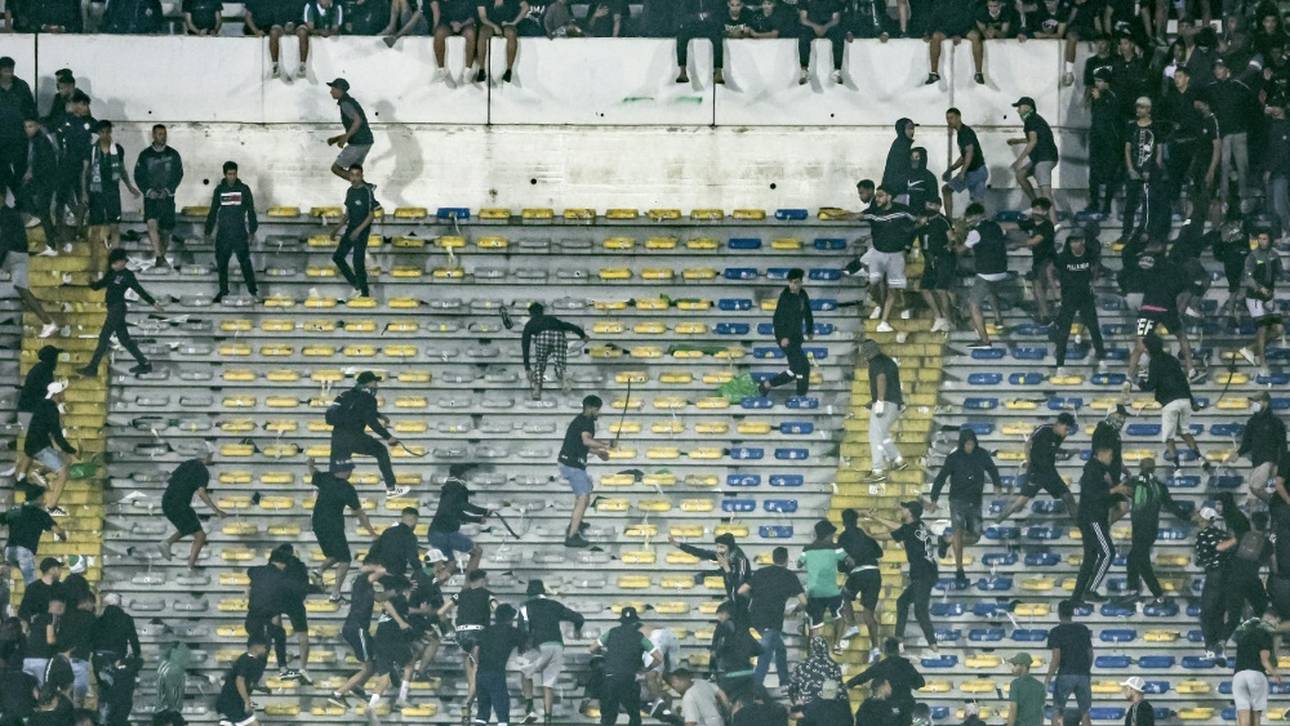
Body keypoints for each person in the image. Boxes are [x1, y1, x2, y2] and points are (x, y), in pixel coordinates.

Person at [928, 428, 1000, 587]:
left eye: (972, 444)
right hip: (957, 501)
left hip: (975, 501)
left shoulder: (981, 454)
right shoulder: (954, 458)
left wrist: (997, 484)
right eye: (967, 444)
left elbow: (992, 469)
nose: (970, 447)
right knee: (959, 533)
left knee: (975, 536)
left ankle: (946, 540)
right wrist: (934, 498)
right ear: (962, 444)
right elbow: (941, 478)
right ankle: (959, 570)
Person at [77, 248, 161, 378]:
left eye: (119, 262)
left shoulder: (127, 275)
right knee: (125, 340)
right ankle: (144, 363)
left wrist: (153, 303)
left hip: (118, 308)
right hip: (113, 309)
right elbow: (98, 286)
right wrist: (90, 282)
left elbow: (139, 290)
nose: (117, 265)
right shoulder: (111, 273)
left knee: (104, 338)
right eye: (116, 262)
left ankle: (92, 368)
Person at [327, 371, 410, 499]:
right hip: (355, 437)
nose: (376, 385)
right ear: (368, 383)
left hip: (338, 437)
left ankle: (331, 496)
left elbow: (349, 410)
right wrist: (388, 437)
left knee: (341, 472)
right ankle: (391, 489)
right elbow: (370, 421)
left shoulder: (344, 395)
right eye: (374, 382)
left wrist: (379, 414)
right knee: (381, 451)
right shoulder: (369, 399)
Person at [867, 502, 938, 650]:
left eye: (904, 508)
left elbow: (888, 535)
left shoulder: (910, 529)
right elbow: (898, 528)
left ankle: (933, 644)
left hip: (922, 572)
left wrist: (870, 535)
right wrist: (875, 517)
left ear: (910, 512)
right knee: (902, 602)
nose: (902, 510)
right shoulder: (918, 525)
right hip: (927, 571)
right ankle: (899, 638)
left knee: (920, 610)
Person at [1121, 458, 1192, 605]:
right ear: (1153, 469)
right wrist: (1187, 517)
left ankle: (1156, 595)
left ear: (1140, 467)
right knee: (1134, 558)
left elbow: (1119, 491)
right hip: (1151, 529)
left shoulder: (1134, 483)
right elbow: (1172, 506)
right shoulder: (1159, 486)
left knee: (1141, 562)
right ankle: (1138, 591)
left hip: (1140, 528)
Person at [307, 458, 375, 601]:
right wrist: (372, 532)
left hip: (317, 523)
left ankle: (318, 572)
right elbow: (360, 513)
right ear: (345, 471)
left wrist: (310, 464)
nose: (351, 473)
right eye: (350, 470)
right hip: (333, 525)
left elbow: (314, 473)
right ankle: (335, 593)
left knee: (335, 554)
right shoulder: (346, 488)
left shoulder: (325, 478)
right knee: (345, 559)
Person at [737, 545, 806, 686]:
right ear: (786, 560)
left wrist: (752, 597)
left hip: (755, 617)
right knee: (765, 654)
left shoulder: (761, 572)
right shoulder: (789, 576)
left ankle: (784, 681)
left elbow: (741, 590)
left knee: (780, 649)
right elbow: (804, 601)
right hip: (773, 619)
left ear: (773, 559)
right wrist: (796, 610)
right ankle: (756, 686)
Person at [517, 579, 583, 724]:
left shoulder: (524, 608)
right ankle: (548, 718)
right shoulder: (555, 605)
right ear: (544, 592)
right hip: (557, 646)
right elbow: (578, 618)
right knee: (548, 683)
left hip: (538, 646)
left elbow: (522, 631)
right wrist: (577, 630)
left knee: (525, 672)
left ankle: (530, 707)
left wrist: (522, 651)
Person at [1138, 333, 1208, 467]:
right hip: (1184, 400)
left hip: (1169, 403)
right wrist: (1192, 402)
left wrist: (1140, 383)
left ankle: (1177, 468)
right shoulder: (1172, 359)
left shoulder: (1154, 363)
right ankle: (1201, 459)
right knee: (1184, 432)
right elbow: (1183, 381)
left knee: (1168, 438)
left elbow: (1150, 385)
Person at [1071, 444, 1129, 604]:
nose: (1111, 459)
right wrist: (1114, 491)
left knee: (1090, 557)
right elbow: (1092, 495)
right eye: (1110, 455)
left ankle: (1077, 597)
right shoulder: (1092, 470)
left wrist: (1119, 493)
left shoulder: (1100, 469)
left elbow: (1103, 496)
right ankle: (1090, 590)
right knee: (1108, 553)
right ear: (1101, 452)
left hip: (1092, 517)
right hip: (1092, 518)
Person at [996, 412, 1079, 524]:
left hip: (1050, 472)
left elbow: (1052, 449)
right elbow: (1028, 444)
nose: (1067, 433)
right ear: (1059, 424)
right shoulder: (1043, 429)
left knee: (1068, 498)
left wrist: (1068, 452)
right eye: (1066, 429)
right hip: (1036, 472)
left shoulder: (1060, 436)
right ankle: (997, 522)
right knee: (1019, 503)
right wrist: (1029, 460)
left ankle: (1082, 527)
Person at [328, 564, 387, 708]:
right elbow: (381, 570)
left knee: (373, 663)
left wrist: (397, 592)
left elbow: (380, 598)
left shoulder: (364, 587)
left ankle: (357, 687)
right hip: (357, 629)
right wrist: (378, 567)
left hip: (355, 628)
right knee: (367, 667)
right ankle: (338, 694)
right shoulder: (363, 580)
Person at [590, 606, 661, 726]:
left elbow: (592, 649)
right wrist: (646, 669)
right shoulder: (640, 637)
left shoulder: (611, 632)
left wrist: (606, 655)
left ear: (621, 620)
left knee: (608, 717)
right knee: (634, 715)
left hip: (610, 677)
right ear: (635, 622)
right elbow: (659, 658)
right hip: (629, 679)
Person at [159, 451, 228, 572]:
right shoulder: (203, 472)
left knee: (187, 527)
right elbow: (201, 493)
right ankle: (189, 568)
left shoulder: (187, 463)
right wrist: (217, 511)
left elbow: (171, 479)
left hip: (166, 501)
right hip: (179, 504)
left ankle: (167, 542)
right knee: (200, 535)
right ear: (209, 456)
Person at [859, 190, 916, 330]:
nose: (878, 199)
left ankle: (884, 315)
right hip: (878, 250)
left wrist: (907, 246)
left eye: (881, 196)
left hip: (894, 253)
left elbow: (914, 226)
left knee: (892, 287)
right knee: (874, 282)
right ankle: (880, 305)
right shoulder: (874, 209)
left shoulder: (902, 213)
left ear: (889, 197)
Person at [203, 161, 259, 304]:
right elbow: (213, 211)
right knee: (222, 264)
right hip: (223, 234)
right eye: (229, 174)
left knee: (245, 263)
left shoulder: (244, 189)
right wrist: (208, 232)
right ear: (225, 174)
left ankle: (253, 292)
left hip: (239, 232)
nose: (232, 177)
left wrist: (252, 231)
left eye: (234, 174)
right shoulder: (219, 190)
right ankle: (223, 291)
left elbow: (251, 211)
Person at [558, 394, 610, 548]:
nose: (598, 413)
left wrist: (599, 452)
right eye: (598, 410)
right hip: (572, 465)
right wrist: (606, 445)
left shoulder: (580, 420)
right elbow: (586, 440)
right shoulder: (587, 422)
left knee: (586, 493)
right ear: (592, 408)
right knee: (583, 497)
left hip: (569, 462)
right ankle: (572, 535)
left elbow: (582, 445)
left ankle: (577, 522)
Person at [1051, 233, 1106, 373]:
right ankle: (1060, 365)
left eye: (1077, 241)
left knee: (1094, 329)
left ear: (1082, 241)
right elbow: (1050, 270)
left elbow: (1096, 264)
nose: (1074, 245)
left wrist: (1093, 280)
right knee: (1064, 331)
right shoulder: (1063, 257)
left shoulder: (1089, 254)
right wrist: (1055, 289)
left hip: (1086, 298)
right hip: (1068, 298)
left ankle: (1102, 360)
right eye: (1072, 242)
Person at [6, 344, 59, 488]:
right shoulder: (45, 371)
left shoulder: (38, 369)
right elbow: (48, 394)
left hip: (26, 412)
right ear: (52, 359)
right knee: (39, 446)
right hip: (31, 414)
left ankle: (21, 478)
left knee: (32, 446)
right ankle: (34, 473)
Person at [1206, 58, 1256, 211]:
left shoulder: (1239, 86)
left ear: (1228, 69)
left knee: (1242, 166)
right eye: (1215, 68)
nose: (1217, 71)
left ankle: (1244, 199)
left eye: (1220, 67)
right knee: (1224, 165)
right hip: (1223, 134)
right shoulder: (1211, 88)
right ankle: (1224, 200)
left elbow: (1252, 108)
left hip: (1240, 132)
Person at [19, 382, 75, 515]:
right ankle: (51, 507)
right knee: (63, 473)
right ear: (57, 394)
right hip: (39, 447)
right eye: (62, 392)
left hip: (37, 444)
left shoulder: (44, 405)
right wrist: (73, 450)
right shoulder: (51, 409)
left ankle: (40, 472)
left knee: (66, 459)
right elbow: (58, 436)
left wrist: (67, 452)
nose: (64, 394)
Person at [959, 203, 1009, 350]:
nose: (968, 220)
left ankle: (984, 340)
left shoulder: (975, 232)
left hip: (987, 272)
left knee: (973, 304)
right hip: (1002, 270)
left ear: (975, 216)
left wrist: (953, 243)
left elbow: (961, 251)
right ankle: (999, 320)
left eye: (969, 217)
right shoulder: (996, 226)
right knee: (991, 292)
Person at [83, 121, 139, 250]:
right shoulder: (91, 150)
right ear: (98, 133)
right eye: (102, 132)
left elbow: (121, 170)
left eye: (108, 132)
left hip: (112, 191)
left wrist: (130, 187)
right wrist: (84, 193)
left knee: (114, 225)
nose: (105, 135)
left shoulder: (118, 149)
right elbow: (85, 172)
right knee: (96, 227)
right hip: (96, 192)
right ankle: (94, 261)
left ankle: (114, 255)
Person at [133, 124, 183, 267]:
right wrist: (148, 191)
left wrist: (168, 190)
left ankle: (161, 257)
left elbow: (178, 174)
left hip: (167, 198)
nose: (163, 136)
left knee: (166, 231)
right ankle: (158, 256)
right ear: (153, 136)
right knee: (151, 225)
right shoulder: (145, 155)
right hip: (151, 198)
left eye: (164, 134)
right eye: (160, 134)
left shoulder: (173, 154)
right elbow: (138, 175)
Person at [834, 510, 881, 661]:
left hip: (858, 573)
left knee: (844, 595)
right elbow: (879, 553)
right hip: (874, 573)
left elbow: (841, 565)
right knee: (868, 614)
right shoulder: (865, 534)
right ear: (856, 521)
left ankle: (853, 625)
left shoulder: (843, 537)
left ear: (844, 522)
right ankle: (875, 648)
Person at [760, 268, 815, 396]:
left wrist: (810, 329)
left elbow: (808, 313)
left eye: (796, 282)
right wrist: (782, 337)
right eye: (791, 282)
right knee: (801, 367)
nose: (793, 285)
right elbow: (777, 319)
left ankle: (767, 385)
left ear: (801, 282)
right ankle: (801, 395)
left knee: (799, 368)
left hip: (796, 337)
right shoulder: (785, 298)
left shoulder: (802, 295)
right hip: (786, 338)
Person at [845, 638, 924, 726]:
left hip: (887, 709)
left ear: (885, 651)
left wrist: (849, 684)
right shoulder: (906, 666)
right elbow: (920, 683)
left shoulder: (881, 666)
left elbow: (864, 676)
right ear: (898, 650)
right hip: (905, 706)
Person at [1121, 97, 1167, 248]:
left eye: (1141, 107)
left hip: (1150, 170)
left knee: (1149, 203)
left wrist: (1156, 169)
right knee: (1130, 203)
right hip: (1134, 170)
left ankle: (1145, 231)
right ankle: (1126, 233)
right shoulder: (1131, 127)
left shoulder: (1155, 127)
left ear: (1148, 109)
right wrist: (1130, 169)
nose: (1138, 110)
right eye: (1137, 107)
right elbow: (1127, 149)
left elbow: (1159, 149)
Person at [427, 463, 488, 573]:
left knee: (451, 564)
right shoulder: (457, 488)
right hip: (446, 534)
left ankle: (433, 586)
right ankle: (469, 587)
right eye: (468, 474)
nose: (469, 477)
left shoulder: (449, 487)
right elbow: (463, 506)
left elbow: (456, 512)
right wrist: (484, 511)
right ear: (463, 474)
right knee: (477, 551)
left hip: (435, 533)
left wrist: (478, 519)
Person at [1237, 231, 1284, 373]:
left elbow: (1281, 273)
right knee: (1262, 329)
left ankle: (1250, 349)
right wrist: (1259, 288)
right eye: (1260, 239)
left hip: (1269, 297)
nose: (1262, 241)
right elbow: (1248, 278)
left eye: (1265, 239)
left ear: (1270, 240)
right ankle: (1263, 363)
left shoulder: (1274, 255)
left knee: (1279, 329)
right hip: (1255, 297)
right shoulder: (1252, 257)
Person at [797, 520, 849, 647]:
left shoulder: (807, 549)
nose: (833, 537)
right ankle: (837, 644)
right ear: (828, 534)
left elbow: (799, 564)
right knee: (840, 615)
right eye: (832, 534)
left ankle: (815, 649)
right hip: (831, 591)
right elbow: (850, 561)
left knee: (816, 622)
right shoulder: (836, 548)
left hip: (814, 592)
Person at [521, 302, 588, 400]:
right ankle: (564, 380)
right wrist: (583, 335)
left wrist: (527, 366)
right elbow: (569, 325)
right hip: (558, 335)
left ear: (530, 314)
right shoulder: (551, 319)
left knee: (540, 363)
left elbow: (525, 343)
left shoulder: (531, 323)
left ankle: (537, 390)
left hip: (542, 336)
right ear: (542, 311)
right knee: (560, 362)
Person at [1195, 506, 1238, 658]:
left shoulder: (1206, 533)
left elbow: (1219, 547)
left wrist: (1236, 538)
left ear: (1204, 519)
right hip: (1227, 575)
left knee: (1206, 612)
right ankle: (1219, 645)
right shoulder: (1220, 533)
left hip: (1215, 575)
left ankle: (1210, 646)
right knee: (1219, 612)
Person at [860, 339, 906, 481]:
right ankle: (897, 461)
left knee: (875, 435)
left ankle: (878, 470)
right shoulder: (888, 361)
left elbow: (881, 379)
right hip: (895, 404)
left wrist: (879, 401)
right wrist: (874, 400)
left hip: (885, 403)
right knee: (883, 434)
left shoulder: (876, 363)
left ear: (867, 353)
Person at [473, 603, 524, 726]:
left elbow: (475, 651)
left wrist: (479, 663)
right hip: (496, 672)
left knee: (482, 711)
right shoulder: (512, 631)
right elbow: (527, 645)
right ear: (510, 618)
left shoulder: (485, 631)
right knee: (502, 708)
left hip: (481, 673)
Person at [1046, 600, 1093, 726]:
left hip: (1065, 674)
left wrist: (1048, 678)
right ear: (1072, 612)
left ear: (1059, 613)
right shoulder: (1083, 629)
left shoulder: (1056, 631)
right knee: (1085, 713)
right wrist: (1085, 670)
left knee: (1057, 710)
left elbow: (1056, 658)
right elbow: (1090, 654)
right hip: (1083, 674)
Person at [1008, 96, 1059, 205]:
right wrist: (1017, 141)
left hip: (1044, 159)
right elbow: (1036, 138)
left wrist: (1019, 161)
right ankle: (1036, 204)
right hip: (1042, 157)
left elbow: (1033, 141)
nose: (1017, 111)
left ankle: (1052, 221)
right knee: (1020, 175)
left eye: (1019, 107)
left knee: (1046, 194)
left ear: (1027, 107)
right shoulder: (1035, 119)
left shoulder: (1031, 120)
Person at [1232, 616, 1282, 726]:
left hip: (1238, 676)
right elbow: (1264, 660)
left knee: (1243, 719)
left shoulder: (1243, 636)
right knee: (1255, 718)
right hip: (1256, 674)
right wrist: (1275, 674)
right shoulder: (1265, 635)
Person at [1239, 392, 1286, 508]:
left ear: (1266, 403)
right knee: (1252, 500)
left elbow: (1283, 446)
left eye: (1257, 401)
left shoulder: (1276, 422)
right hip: (1256, 464)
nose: (1254, 404)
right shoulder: (1252, 422)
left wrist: (1281, 467)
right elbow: (1246, 443)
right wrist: (1237, 453)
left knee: (1256, 488)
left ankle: (1278, 505)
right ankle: (1276, 506)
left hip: (1270, 463)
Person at [915, 197, 955, 333]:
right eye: (928, 203)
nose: (929, 207)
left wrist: (948, 246)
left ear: (938, 206)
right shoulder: (923, 222)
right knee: (924, 288)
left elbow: (952, 238)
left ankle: (949, 320)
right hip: (929, 259)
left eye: (932, 204)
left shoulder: (942, 221)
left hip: (943, 258)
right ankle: (939, 317)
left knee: (941, 290)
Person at [20, 116, 58, 253]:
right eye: (25, 127)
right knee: (23, 194)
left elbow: (45, 164)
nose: (27, 130)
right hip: (40, 180)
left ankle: (52, 245)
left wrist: (32, 175)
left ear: (37, 126)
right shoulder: (34, 141)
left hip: (45, 181)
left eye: (30, 126)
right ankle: (51, 240)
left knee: (44, 212)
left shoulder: (41, 141)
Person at [3, 497, 63, 585]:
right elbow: (57, 530)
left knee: (8, 574)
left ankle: (4, 568)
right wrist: (64, 536)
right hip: (25, 551)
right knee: (30, 582)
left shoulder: (16, 511)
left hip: (9, 551)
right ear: (38, 500)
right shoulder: (41, 514)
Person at [1086, 68, 1121, 217]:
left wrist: (1100, 100)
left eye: (1100, 81)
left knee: (1109, 176)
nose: (1097, 84)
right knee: (1093, 174)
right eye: (1096, 81)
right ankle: (1094, 203)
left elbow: (1110, 117)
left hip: (1109, 142)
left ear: (1107, 83)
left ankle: (1106, 206)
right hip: (1097, 140)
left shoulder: (1111, 97)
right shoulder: (1097, 97)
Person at [324, 79, 375, 182]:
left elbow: (357, 121)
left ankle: (364, 186)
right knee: (354, 171)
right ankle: (366, 189)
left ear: (340, 90)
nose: (331, 92)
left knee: (336, 168)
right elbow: (357, 128)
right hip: (366, 142)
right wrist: (336, 139)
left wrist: (345, 138)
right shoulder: (350, 102)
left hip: (358, 143)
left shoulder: (345, 104)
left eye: (333, 89)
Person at [942, 107, 988, 218]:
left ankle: (948, 219)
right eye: (947, 118)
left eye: (951, 118)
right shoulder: (962, 133)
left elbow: (969, 153)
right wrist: (951, 169)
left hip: (975, 172)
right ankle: (981, 224)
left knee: (946, 190)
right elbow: (964, 157)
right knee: (976, 202)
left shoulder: (965, 133)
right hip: (980, 171)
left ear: (958, 117)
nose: (949, 121)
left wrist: (962, 172)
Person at [1018, 197, 1058, 323]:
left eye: (1038, 209)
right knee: (1038, 287)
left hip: (1047, 259)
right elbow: (1014, 224)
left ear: (1045, 212)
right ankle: (1043, 314)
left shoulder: (1047, 225)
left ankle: (1047, 314)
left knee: (1039, 286)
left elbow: (1035, 241)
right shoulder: (1032, 223)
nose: (1034, 211)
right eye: (1033, 208)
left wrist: (1017, 243)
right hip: (1038, 260)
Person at [214, 636, 268, 726]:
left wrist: (260, 688)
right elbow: (239, 681)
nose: (265, 650)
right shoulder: (245, 660)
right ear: (256, 647)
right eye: (264, 647)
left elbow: (245, 682)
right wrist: (246, 702)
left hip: (233, 702)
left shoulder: (249, 660)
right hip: (232, 702)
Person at [0, 58, 34, 198]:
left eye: (11, 70)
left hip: (20, 138)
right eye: (6, 70)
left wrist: (31, 130)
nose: (9, 74)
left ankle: (24, 207)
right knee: (2, 174)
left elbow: (31, 110)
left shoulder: (21, 86)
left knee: (21, 173)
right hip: (1, 139)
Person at [475, 0, 527, 84]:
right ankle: (481, 69)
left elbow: (526, 7)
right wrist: (494, 26)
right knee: (482, 33)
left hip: (507, 23)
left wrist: (514, 23)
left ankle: (509, 70)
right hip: (489, 24)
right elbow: (483, 17)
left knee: (511, 33)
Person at [786, 635, 841, 712]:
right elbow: (839, 689)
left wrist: (795, 702)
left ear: (811, 648)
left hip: (805, 709)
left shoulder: (801, 664)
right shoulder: (834, 666)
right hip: (825, 709)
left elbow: (791, 686)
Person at [675, 0, 724, 85]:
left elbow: (718, 12)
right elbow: (683, 15)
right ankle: (682, 71)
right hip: (693, 26)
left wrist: (707, 17)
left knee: (718, 36)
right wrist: (699, 16)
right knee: (681, 35)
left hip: (709, 25)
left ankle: (718, 72)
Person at [431, 0, 479, 82]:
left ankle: (468, 71)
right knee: (439, 33)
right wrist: (452, 23)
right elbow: (442, 14)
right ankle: (441, 70)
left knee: (470, 33)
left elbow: (473, 17)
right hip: (449, 23)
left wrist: (461, 25)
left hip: (465, 24)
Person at [798, 0, 845, 84]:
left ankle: (837, 71)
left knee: (838, 35)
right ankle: (804, 70)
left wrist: (825, 27)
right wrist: (815, 26)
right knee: (803, 37)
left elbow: (836, 19)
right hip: (811, 27)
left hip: (828, 27)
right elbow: (803, 19)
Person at [967, 0, 1014, 84]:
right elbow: (985, 34)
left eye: (995, 6)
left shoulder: (1006, 12)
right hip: (980, 33)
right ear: (987, 6)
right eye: (990, 6)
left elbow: (1004, 34)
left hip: (998, 35)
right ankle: (978, 72)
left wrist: (995, 31)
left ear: (1000, 5)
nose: (992, 8)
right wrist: (989, 33)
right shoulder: (981, 12)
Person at [369, 507, 423, 578]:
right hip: (395, 572)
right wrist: (420, 571)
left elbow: (374, 550)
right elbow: (412, 558)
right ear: (414, 519)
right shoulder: (410, 536)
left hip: (379, 571)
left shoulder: (388, 531)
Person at [296, 0, 343, 78]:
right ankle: (302, 64)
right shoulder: (310, 6)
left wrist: (328, 32)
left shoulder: (337, 6)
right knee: (302, 31)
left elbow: (335, 28)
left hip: (329, 39)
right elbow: (310, 27)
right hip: (314, 33)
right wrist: (320, 31)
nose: (328, 1)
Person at [18, 558, 62, 626]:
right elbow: (23, 612)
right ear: (52, 570)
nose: (60, 572)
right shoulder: (32, 588)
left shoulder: (61, 587)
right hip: (38, 630)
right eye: (58, 568)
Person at [1006, 653, 1046, 726]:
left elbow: (1013, 710)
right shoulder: (1040, 685)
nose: (1013, 668)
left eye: (1015, 665)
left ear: (1023, 666)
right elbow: (1041, 711)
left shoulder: (1016, 684)